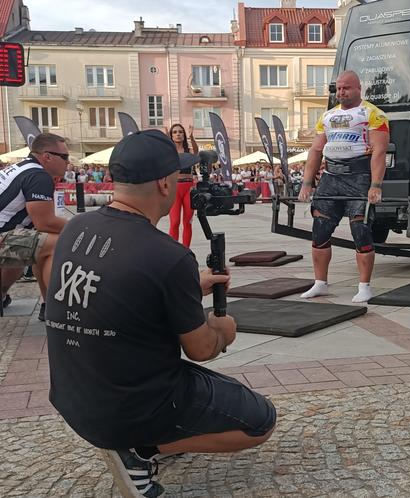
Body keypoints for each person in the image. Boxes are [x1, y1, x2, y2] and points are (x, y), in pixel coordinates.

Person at [45, 130, 276, 498]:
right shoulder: (168, 255)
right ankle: (141, 450)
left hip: (72, 395)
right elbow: (201, 349)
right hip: (129, 403)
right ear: (163, 184)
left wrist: (185, 287)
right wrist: (223, 329)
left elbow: (115, 287)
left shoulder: (76, 228)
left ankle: (140, 441)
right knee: (260, 422)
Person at [298, 70, 389, 303]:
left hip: (358, 176)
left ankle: (364, 286)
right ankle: (320, 283)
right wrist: (307, 183)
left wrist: (375, 185)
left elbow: (379, 152)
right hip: (330, 177)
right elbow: (316, 150)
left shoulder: (373, 114)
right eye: (338, 88)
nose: (341, 92)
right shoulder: (327, 116)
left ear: (359, 88)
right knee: (320, 230)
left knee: (361, 230)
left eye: (346, 88)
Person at [0, 133, 68, 317]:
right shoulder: (38, 175)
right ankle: (52, 309)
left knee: (31, 245)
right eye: (64, 157)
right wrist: (83, 228)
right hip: (3, 236)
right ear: (47, 156)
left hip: (6, 233)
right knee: (56, 243)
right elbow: (45, 223)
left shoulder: (22, 167)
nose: (67, 162)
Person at [168, 124, 199, 247]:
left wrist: (192, 137)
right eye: (175, 132)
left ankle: (186, 250)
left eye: (180, 132)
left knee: (187, 222)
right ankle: (173, 250)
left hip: (189, 188)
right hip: (174, 188)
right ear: (171, 135)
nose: (178, 134)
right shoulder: (169, 152)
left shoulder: (189, 151)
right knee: (174, 222)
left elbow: (196, 152)